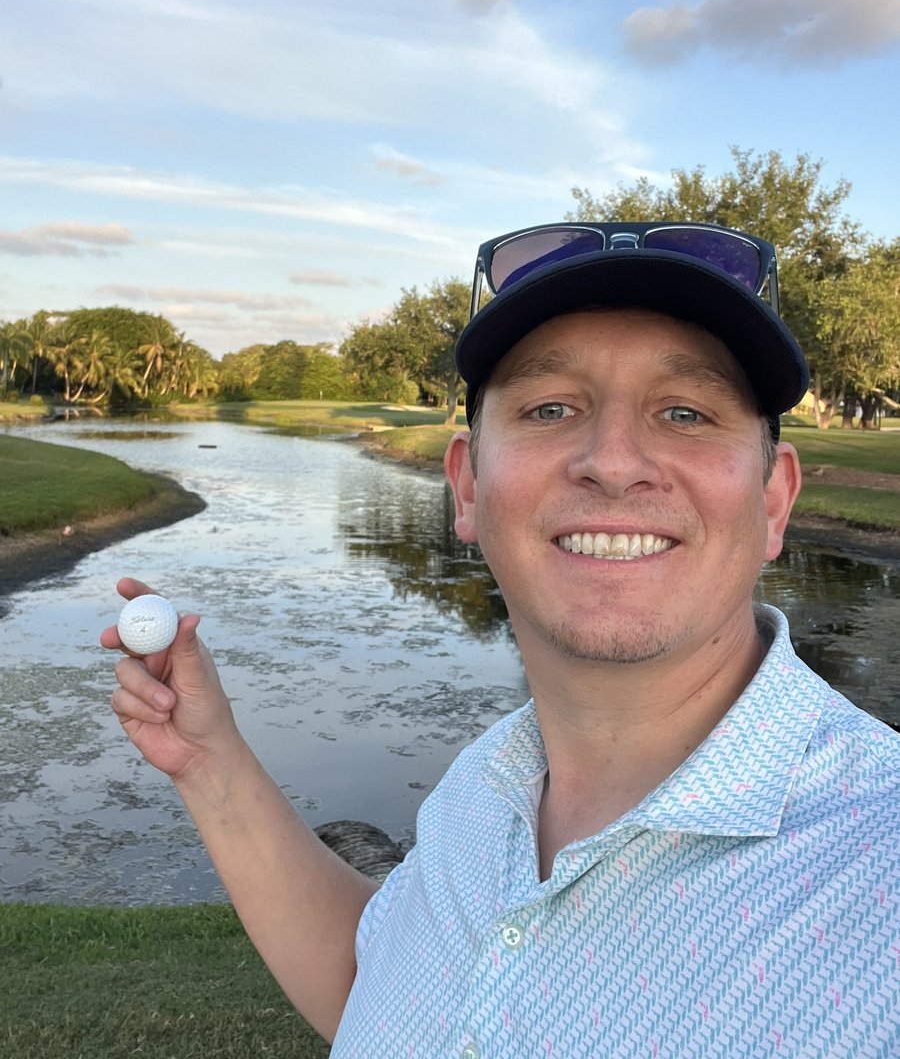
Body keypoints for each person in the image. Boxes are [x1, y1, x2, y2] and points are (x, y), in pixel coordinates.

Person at [107, 221, 900, 1058]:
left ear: (774, 502)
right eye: (550, 408)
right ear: (468, 487)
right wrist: (209, 761)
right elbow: (372, 988)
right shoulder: (488, 783)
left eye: (685, 412)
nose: (614, 461)